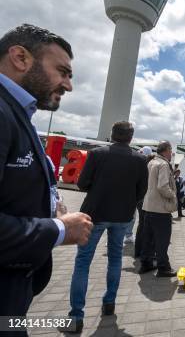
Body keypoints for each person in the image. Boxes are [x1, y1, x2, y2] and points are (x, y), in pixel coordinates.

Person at [0, 24, 93, 322]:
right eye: (62, 72)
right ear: (20, 57)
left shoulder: (18, 114)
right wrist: (60, 229)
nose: (68, 85)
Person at [68, 121, 148, 327]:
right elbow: (141, 192)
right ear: (131, 137)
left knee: (83, 262)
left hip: (95, 214)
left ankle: (76, 316)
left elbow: (82, 183)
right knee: (115, 259)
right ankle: (109, 302)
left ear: (112, 135)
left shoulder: (97, 154)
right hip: (122, 217)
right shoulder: (140, 160)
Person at [139, 141, 178, 277]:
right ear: (166, 150)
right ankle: (163, 267)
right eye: (171, 150)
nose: (172, 153)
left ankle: (146, 264)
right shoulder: (163, 164)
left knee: (148, 238)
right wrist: (172, 195)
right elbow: (162, 186)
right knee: (162, 240)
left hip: (148, 206)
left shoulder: (151, 162)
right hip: (160, 208)